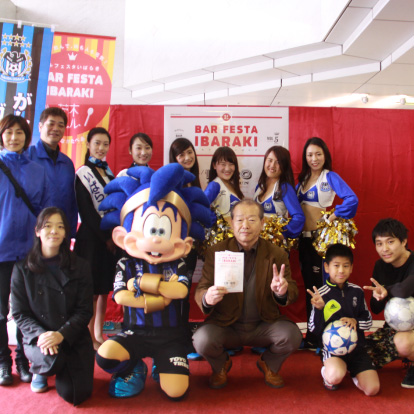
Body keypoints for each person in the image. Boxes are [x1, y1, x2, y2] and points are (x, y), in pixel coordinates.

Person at [95, 164, 212, 399]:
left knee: (177, 391)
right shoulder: (125, 263)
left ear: (184, 243)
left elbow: (180, 292)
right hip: (134, 333)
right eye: (151, 229)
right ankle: (133, 368)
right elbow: (121, 296)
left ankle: (162, 364)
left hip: (170, 337)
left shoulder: (178, 263)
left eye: (163, 231)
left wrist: (140, 284)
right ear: (124, 237)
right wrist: (161, 297)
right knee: (105, 356)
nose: (157, 239)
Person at [193, 199, 302, 389]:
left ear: (262, 223)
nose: (245, 225)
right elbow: (202, 288)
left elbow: (293, 289)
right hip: (226, 325)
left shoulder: (276, 254)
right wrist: (207, 298)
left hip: (263, 323)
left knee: (292, 336)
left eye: (252, 220)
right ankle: (220, 365)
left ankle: (269, 363)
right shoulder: (216, 252)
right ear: (231, 223)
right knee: (202, 340)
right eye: (240, 220)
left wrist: (282, 291)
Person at [11, 207, 94, 405]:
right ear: (38, 231)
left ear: (66, 233)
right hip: (39, 337)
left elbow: (85, 310)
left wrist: (61, 334)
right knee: (53, 360)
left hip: (71, 334)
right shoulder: (22, 269)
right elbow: (20, 314)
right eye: (47, 226)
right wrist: (42, 335)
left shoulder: (80, 266)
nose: (54, 231)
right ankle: (40, 369)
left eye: (60, 227)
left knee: (76, 395)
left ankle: (62, 367)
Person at [0, 115, 51, 386]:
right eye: (9, 132)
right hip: (1, 249)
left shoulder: (37, 170)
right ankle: (3, 362)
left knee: (27, 309)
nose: (14, 137)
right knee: (0, 311)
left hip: (29, 250)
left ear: (27, 137)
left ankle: (23, 359)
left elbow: (43, 210)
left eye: (19, 133)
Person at [296, 137, 358, 350]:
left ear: (325, 156)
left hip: (321, 241)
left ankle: (330, 336)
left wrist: (334, 215)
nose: (314, 158)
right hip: (303, 241)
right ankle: (312, 335)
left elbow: (352, 199)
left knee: (326, 287)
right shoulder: (302, 180)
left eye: (318, 154)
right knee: (310, 289)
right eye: (310, 155)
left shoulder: (330, 176)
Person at [307, 244, 379, 395]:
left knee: (372, 389)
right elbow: (313, 329)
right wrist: (319, 309)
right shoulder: (320, 295)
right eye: (336, 265)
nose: (341, 270)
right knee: (335, 377)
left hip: (357, 349)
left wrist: (356, 322)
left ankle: (354, 372)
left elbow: (368, 321)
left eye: (346, 266)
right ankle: (328, 373)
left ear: (351, 268)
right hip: (333, 351)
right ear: (326, 267)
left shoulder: (357, 291)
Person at [75, 127, 117, 350]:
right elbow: (87, 212)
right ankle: (89, 336)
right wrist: (105, 237)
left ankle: (99, 333)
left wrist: (112, 237)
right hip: (91, 240)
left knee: (103, 290)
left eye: (105, 144)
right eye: (97, 143)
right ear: (88, 144)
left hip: (108, 240)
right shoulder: (83, 173)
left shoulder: (108, 172)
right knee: (91, 292)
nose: (101, 148)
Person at [363, 218, 414, 388]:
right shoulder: (380, 266)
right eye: (379, 244)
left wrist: (386, 290)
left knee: (403, 342)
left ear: (404, 241)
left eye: (390, 242)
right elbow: (375, 308)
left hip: (409, 331)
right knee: (359, 356)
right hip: (395, 327)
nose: (384, 249)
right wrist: (378, 296)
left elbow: (404, 291)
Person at [26, 107, 78, 239]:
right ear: (40, 126)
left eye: (60, 125)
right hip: (33, 234)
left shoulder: (67, 163)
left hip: (60, 234)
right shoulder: (27, 157)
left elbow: (72, 201)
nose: (55, 129)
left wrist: (70, 232)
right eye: (51, 124)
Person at [254, 146, 305, 239]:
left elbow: (299, 217)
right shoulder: (260, 186)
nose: (272, 165)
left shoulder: (284, 188)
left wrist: (282, 234)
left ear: (284, 166)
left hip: (274, 244)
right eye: (270, 160)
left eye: (278, 162)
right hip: (257, 240)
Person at [204, 146, 244, 221]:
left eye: (231, 164)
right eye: (223, 164)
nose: (227, 168)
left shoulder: (232, 185)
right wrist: (216, 220)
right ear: (214, 165)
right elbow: (201, 206)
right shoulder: (215, 185)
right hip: (223, 228)